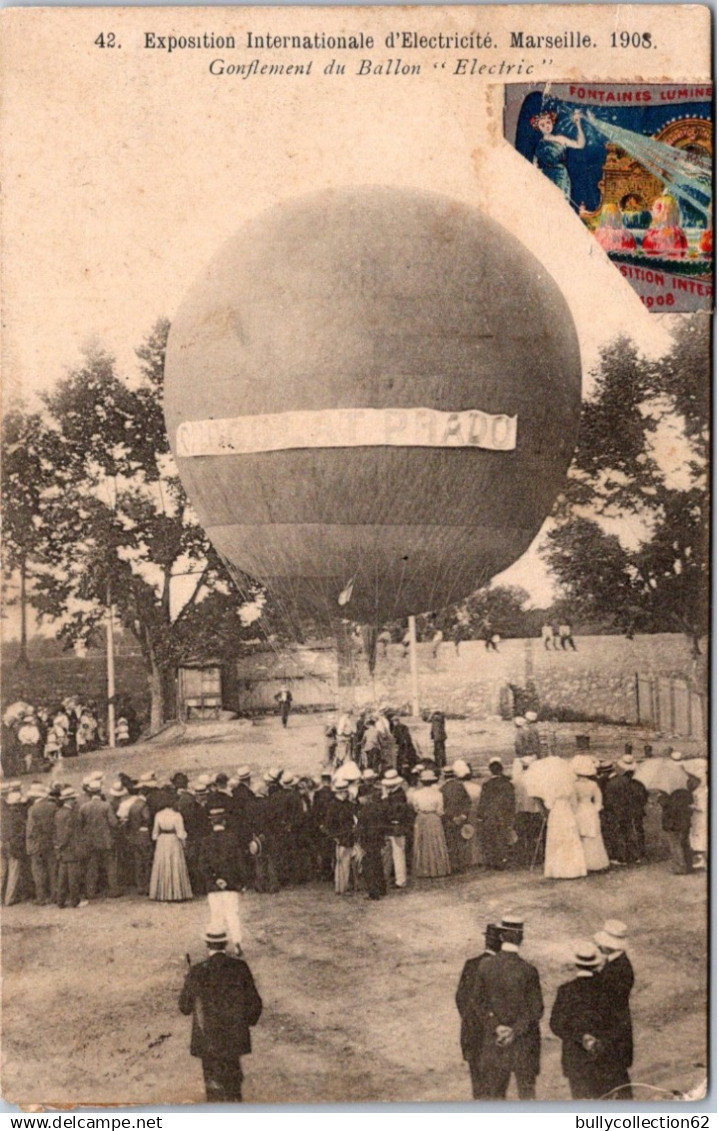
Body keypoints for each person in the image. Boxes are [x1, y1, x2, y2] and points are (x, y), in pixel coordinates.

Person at [179, 929, 263, 1102]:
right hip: (233, 1039)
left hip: (207, 1041)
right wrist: (244, 1024)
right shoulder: (240, 967)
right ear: (226, 944)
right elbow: (255, 1005)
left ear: (207, 944)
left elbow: (185, 1007)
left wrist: (188, 982)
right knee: (234, 1086)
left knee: (213, 1088)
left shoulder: (197, 971)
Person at [467, 916, 544, 1099]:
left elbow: (477, 1002)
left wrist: (496, 1026)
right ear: (521, 938)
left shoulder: (486, 966)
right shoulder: (528, 970)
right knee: (527, 1096)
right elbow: (537, 1009)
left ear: (501, 937)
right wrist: (515, 1031)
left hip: (495, 1043)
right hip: (524, 1045)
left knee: (495, 1097)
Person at [550, 942, 632, 1100]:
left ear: (576, 964)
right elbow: (619, 1024)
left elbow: (556, 1024)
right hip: (604, 1057)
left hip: (576, 1061)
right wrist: (600, 1040)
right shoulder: (608, 989)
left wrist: (581, 1037)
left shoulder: (565, 991)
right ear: (595, 964)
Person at [455, 923, 503, 1098]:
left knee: (478, 1088)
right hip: (494, 1037)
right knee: (497, 1091)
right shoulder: (500, 968)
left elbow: (460, 997)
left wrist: (470, 1020)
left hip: (472, 1035)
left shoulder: (470, 964)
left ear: (486, 941)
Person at [594, 919, 634, 1098]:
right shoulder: (618, 965)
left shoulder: (615, 970)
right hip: (618, 1035)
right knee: (618, 1082)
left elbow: (606, 1005)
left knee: (614, 1085)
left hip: (612, 1036)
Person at [200, 810, 245, 954]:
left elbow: (202, 865)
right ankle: (237, 943)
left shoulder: (205, 841)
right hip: (231, 884)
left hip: (213, 886)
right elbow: (239, 863)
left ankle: (217, 948)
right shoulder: (233, 838)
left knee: (216, 915)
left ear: (211, 822)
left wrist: (215, 879)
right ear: (224, 822)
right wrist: (238, 882)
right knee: (233, 914)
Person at [531, 108, 586, 200]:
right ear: (538, 127)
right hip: (544, 176)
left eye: (548, 122)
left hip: (560, 176)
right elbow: (535, 163)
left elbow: (580, 144)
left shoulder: (560, 139)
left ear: (552, 122)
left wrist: (578, 124)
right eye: (542, 125)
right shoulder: (539, 144)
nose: (546, 126)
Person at [79, 780, 120, 899]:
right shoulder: (106, 805)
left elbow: (80, 825)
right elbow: (113, 823)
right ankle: (113, 890)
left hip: (90, 841)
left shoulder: (84, 807)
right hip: (105, 840)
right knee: (110, 865)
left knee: (92, 867)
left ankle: (90, 892)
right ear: (100, 791)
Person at [410, 768, 451, 879]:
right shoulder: (438, 794)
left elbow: (415, 808)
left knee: (422, 842)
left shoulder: (416, 794)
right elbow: (440, 810)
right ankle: (438, 868)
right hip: (434, 817)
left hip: (422, 817)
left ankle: (423, 869)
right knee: (435, 842)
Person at [149, 802, 193, 902]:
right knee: (174, 864)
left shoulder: (158, 814)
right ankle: (176, 892)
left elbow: (155, 834)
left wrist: (158, 837)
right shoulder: (177, 815)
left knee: (162, 864)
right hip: (173, 840)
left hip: (162, 841)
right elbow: (180, 833)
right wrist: (184, 842)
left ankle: (161, 892)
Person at [477, 758, 515, 870]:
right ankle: (503, 859)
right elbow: (511, 801)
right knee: (502, 837)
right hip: (503, 813)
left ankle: (492, 860)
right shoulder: (507, 784)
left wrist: (480, 815)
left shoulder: (487, 785)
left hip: (489, 814)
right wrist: (511, 814)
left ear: (490, 771)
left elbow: (483, 801)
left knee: (491, 837)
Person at [572, 758, 610, 872]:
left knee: (581, 835)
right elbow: (599, 799)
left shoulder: (574, 785)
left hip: (580, 809)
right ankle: (597, 863)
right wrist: (595, 809)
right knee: (593, 835)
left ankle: (583, 863)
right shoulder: (593, 784)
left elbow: (573, 802)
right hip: (590, 809)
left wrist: (574, 810)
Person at [657, 775, 699, 874]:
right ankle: (689, 866)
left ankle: (680, 867)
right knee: (685, 843)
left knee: (675, 844)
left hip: (671, 822)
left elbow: (665, 804)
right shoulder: (686, 791)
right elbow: (690, 803)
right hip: (684, 821)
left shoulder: (665, 792)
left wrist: (659, 797)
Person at [25, 782, 57, 904]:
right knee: (52, 870)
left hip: (37, 844)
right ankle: (54, 895)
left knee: (38, 872)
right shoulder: (52, 806)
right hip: (50, 842)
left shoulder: (32, 809)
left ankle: (41, 897)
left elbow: (31, 830)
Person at [381, 769, 412, 889]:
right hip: (394, 826)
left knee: (398, 853)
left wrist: (384, 798)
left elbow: (388, 810)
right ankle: (397, 878)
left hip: (396, 826)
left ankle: (401, 880)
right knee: (395, 853)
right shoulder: (398, 793)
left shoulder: (397, 796)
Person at [324, 782, 356, 894]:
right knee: (343, 861)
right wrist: (335, 836)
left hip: (345, 836)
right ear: (342, 792)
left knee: (343, 861)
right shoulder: (335, 805)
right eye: (346, 791)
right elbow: (329, 824)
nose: (347, 793)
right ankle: (342, 887)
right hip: (341, 837)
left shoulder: (340, 804)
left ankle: (341, 886)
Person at [442, 762, 472, 873]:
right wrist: (463, 815)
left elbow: (443, 807)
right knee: (461, 842)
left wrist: (451, 817)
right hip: (462, 818)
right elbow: (467, 801)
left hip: (450, 820)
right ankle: (462, 864)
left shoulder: (442, 789)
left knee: (451, 842)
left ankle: (454, 866)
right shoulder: (460, 786)